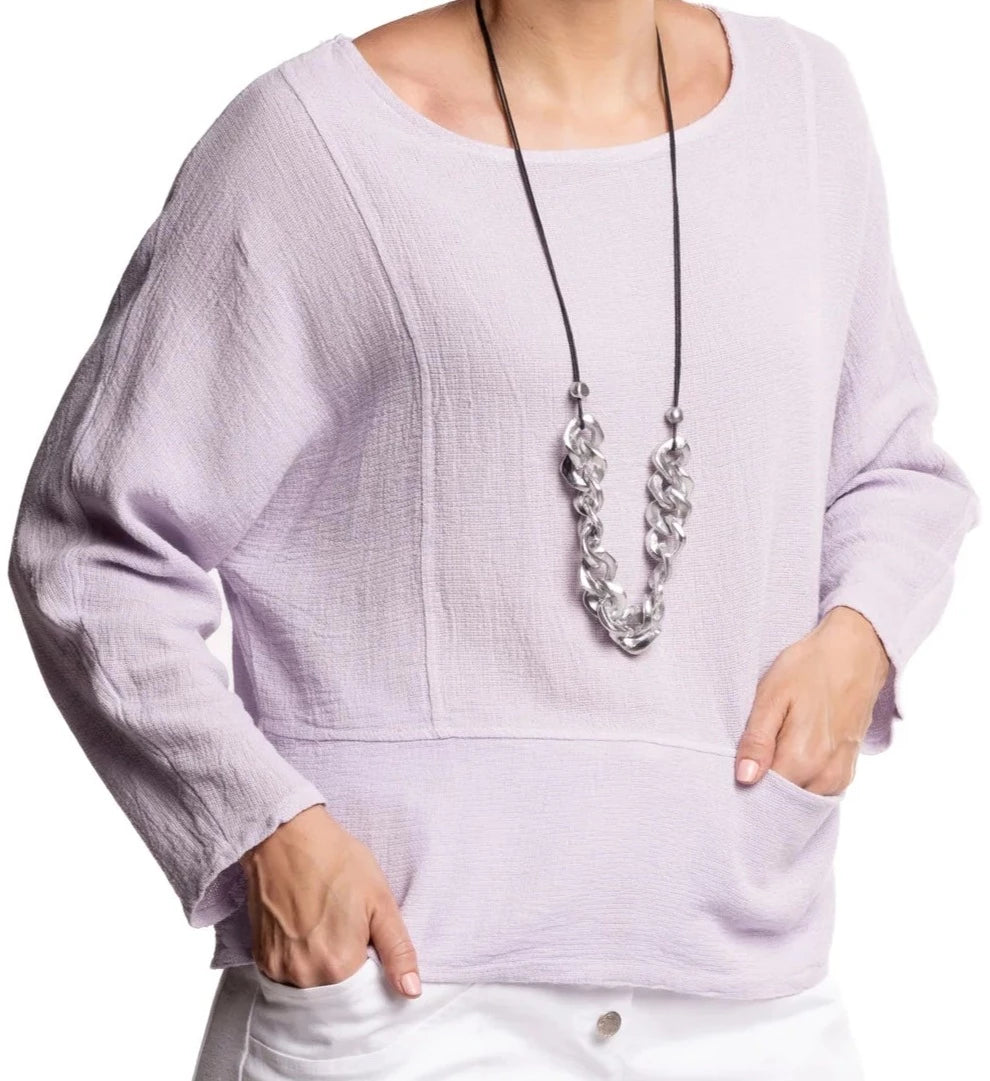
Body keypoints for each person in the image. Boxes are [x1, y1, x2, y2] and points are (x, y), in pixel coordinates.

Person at [8, 0, 980, 1078]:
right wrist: (259, 828)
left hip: (752, 992)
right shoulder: (310, 142)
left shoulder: (807, 106)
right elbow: (91, 550)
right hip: (404, 987)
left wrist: (857, 640)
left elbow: (892, 465)